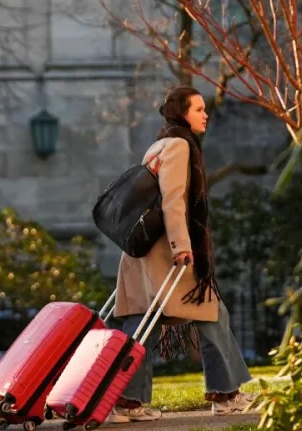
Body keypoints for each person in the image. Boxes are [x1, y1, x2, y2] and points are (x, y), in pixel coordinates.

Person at [108, 86, 253, 423]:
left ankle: (128, 401)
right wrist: (183, 247)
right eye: (199, 108)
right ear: (182, 112)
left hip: (148, 252)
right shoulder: (178, 146)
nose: (206, 114)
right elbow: (173, 201)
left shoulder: (159, 144)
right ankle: (224, 394)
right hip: (167, 253)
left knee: (145, 322)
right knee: (210, 313)